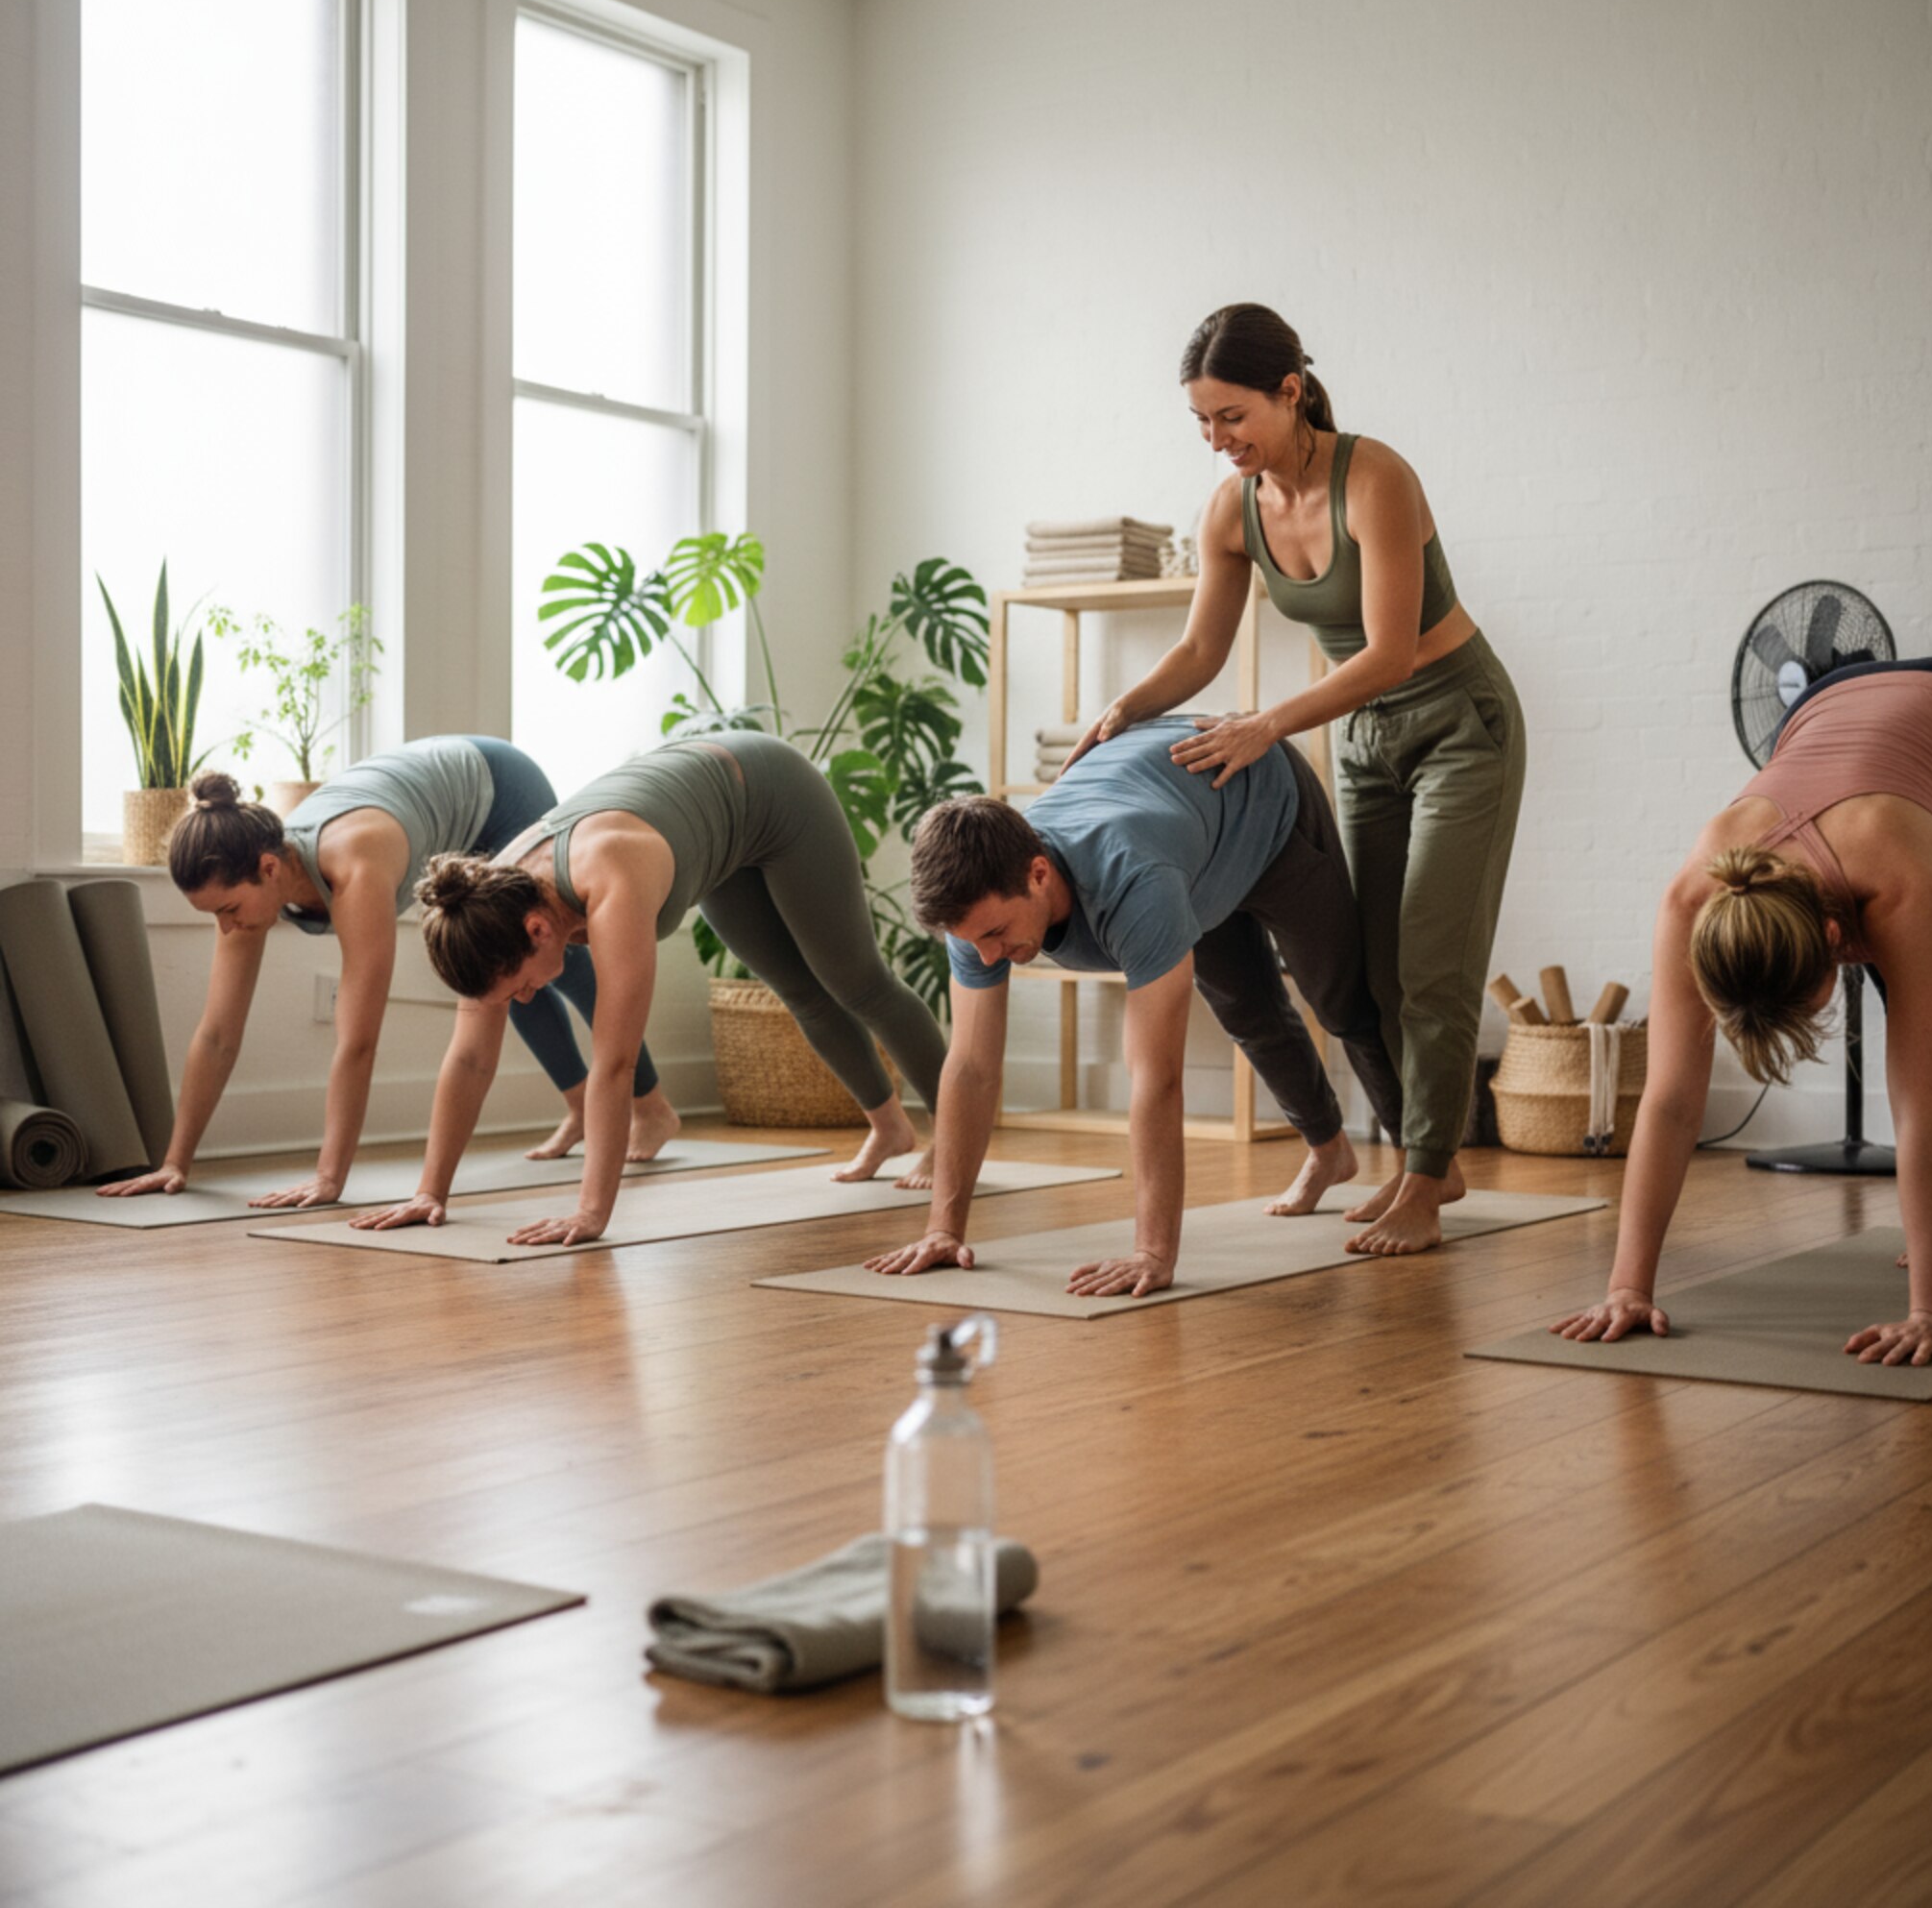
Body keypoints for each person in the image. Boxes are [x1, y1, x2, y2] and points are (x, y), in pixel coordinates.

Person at [1064, 302, 1525, 1254]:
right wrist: (1122, 711)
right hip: (1360, 738)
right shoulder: (1231, 510)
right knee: (1376, 964)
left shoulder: (1376, 477)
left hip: (1456, 722)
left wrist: (1264, 723)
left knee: (1431, 962)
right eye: (1199, 420)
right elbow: (1199, 647)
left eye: (1230, 415)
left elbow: (1391, 652)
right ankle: (1425, 1160)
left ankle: (1427, 1178)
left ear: (1287, 390)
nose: (1215, 439)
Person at [863, 721, 1406, 1297]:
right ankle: (1330, 1154)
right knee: (1247, 1010)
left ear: (1038, 873)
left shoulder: (1134, 879)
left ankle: (1422, 1163)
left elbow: (1156, 1077)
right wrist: (943, 1229)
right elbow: (971, 1067)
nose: (988, 955)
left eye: (995, 934)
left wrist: (1152, 1251)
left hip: (1262, 800)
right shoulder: (973, 910)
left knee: (1342, 1000)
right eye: (973, 941)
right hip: (1186, 835)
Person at [349, 732, 946, 1247]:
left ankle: (952, 1132)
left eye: (521, 988)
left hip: (771, 791)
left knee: (858, 982)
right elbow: (471, 1056)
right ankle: (890, 1127)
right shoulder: (484, 910)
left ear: (537, 929)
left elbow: (615, 1063)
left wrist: (591, 1212)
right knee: (803, 993)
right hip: (718, 832)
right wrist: (430, 1192)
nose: (526, 1000)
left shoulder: (610, 875)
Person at [1553, 656, 1932, 1368]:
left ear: (1837, 942)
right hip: (1823, 699)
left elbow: (1918, 1113)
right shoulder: (1694, 902)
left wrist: (1931, 1312)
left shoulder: (1900, 882)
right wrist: (1627, 1288)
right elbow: (1669, 1105)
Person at [97, 739, 671, 1208]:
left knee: (550, 956)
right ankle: (580, 1109)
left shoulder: (355, 864)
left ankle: (651, 1110)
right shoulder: (252, 883)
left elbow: (358, 1041)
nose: (226, 928)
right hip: (438, 796)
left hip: (498, 788)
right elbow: (217, 1033)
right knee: (500, 984)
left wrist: (329, 1178)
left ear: (269, 868)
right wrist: (176, 1162)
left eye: (226, 911)